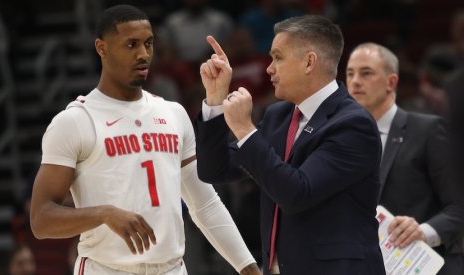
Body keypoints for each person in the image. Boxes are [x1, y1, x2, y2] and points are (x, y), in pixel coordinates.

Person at [29, 5, 260, 275]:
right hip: (106, 268)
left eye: (148, 44)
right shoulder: (75, 121)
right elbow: (41, 219)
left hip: (171, 268)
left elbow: (205, 204)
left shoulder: (173, 113)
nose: (143, 54)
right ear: (101, 48)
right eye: (131, 44)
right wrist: (103, 213)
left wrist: (249, 269)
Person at [194, 15, 385, 274]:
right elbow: (213, 170)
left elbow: (297, 194)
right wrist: (215, 101)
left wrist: (244, 129)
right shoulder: (278, 116)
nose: (269, 68)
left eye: (278, 57)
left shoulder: (352, 124)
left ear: (309, 62)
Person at [346, 42, 464, 274]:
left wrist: (423, 231)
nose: (355, 81)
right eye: (350, 74)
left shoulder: (428, 130)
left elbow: (459, 205)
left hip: (426, 265)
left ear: (392, 82)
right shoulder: (340, 141)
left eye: (366, 73)